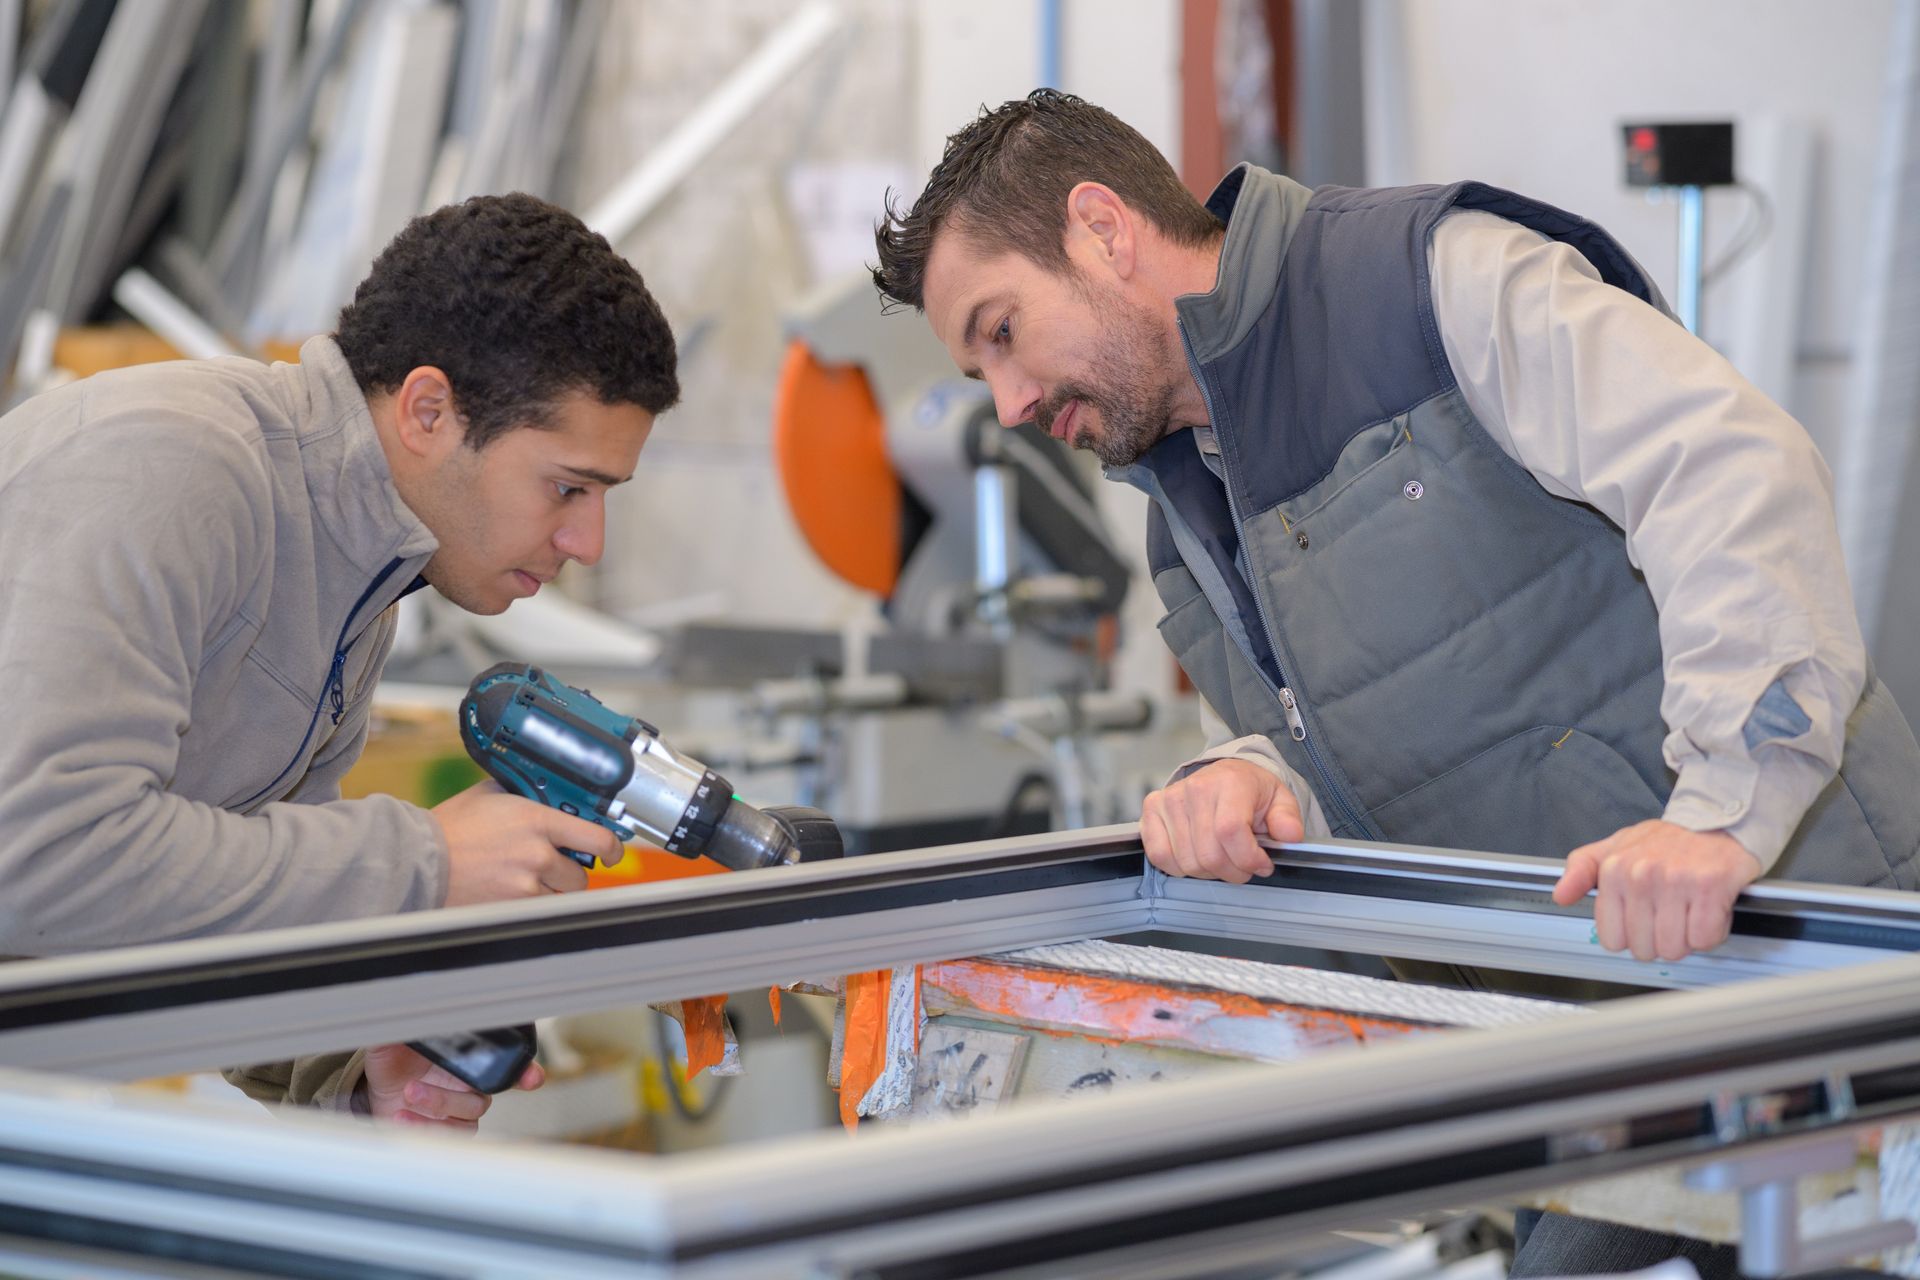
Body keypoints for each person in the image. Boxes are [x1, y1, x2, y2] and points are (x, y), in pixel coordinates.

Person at [874, 87, 1920, 1277]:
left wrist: (1724, 810)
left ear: (1104, 228)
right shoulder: (1183, 507)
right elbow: (1367, 714)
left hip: (1812, 974)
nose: (1008, 405)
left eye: (1002, 332)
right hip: (1592, 1038)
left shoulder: (1427, 281)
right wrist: (1248, 775)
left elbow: (1731, 471)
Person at [0, 192, 678, 1129]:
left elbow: (225, 905)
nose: (588, 540)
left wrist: (355, 1070)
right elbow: (38, 859)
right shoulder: (175, 470)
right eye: (567, 486)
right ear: (429, 410)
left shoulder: (360, 574)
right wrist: (427, 861)